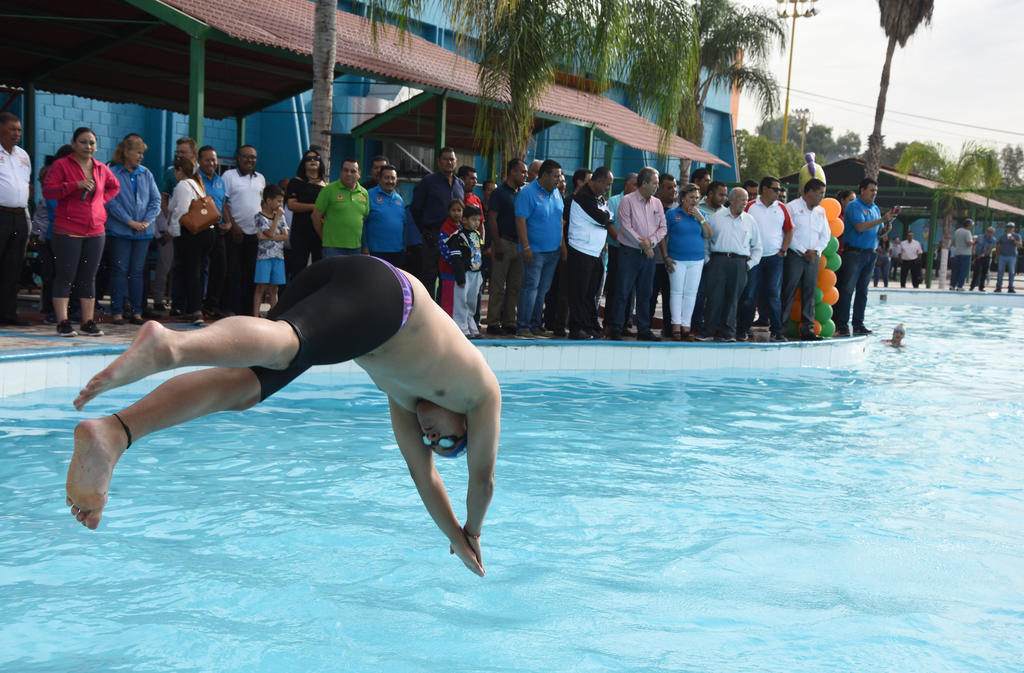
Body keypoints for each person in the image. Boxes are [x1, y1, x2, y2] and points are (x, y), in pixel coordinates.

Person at [65, 254, 500, 577]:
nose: (431, 439)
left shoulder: (404, 402)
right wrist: (474, 531)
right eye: (447, 442)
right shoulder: (481, 393)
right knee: (285, 345)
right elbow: (482, 479)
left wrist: (454, 538)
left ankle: (116, 433)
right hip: (384, 293)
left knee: (243, 387)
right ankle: (171, 346)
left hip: (340, 295)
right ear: (466, 424)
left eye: (433, 445)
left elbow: (425, 479)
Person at [42, 127, 120, 337]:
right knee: (65, 276)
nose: (88, 146)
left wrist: (100, 201)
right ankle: (63, 322)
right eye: (83, 142)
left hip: (95, 230)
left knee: (88, 277)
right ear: (74, 143)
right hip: (67, 229)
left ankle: (88, 322)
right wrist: (74, 185)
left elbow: (114, 186)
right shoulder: (61, 165)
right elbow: (48, 190)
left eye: (92, 143)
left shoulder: (101, 168)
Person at [105, 134, 161, 325]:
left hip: (142, 233)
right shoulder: (112, 173)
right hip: (120, 231)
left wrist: (146, 222)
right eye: (137, 152)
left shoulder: (146, 173)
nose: (141, 156)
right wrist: (129, 222)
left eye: (142, 153)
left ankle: (137, 312)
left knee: (136, 272)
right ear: (126, 152)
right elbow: (110, 201)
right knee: (119, 270)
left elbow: (156, 200)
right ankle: (117, 311)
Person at [606, 166, 666, 341]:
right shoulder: (627, 201)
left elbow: (663, 228)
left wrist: (650, 242)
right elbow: (625, 226)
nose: (657, 186)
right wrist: (643, 243)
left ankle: (644, 330)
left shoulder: (657, 203)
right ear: (644, 183)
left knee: (645, 293)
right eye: (655, 182)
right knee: (622, 292)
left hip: (648, 255)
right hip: (629, 253)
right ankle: (616, 328)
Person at [696, 187, 762, 342]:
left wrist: (749, 264)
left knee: (733, 300)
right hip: (717, 261)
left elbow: (758, 247)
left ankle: (728, 333)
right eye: (742, 199)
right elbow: (707, 240)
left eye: (746, 200)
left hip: (740, 263)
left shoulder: (750, 221)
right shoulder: (717, 217)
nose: (745, 203)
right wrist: (708, 260)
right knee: (714, 298)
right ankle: (708, 331)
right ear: (731, 200)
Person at [833, 178, 896, 336]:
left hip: (870, 253)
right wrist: (882, 219)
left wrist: (887, 226)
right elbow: (860, 227)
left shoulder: (875, 208)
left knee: (863, 291)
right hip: (854, 253)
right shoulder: (854, 206)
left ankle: (858, 324)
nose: (874, 193)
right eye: (871, 190)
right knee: (847, 290)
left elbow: (879, 232)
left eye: (876, 191)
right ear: (862, 190)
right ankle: (842, 325)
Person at [738, 175, 793, 342]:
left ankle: (777, 331)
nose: (779, 192)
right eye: (775, 189)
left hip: (774, 258)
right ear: (765, 189)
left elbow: (789, 230)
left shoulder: (782, 208)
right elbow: (740, 227)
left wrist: (783, 251)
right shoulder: (750, 206)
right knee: (750, 294)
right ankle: (743, 329)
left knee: (774, 294)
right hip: (753, 258)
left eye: (780, 189)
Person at [514, 159, 564, 337]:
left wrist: (561, 245)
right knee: (530, 288)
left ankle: (535, 325)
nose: (559, 180)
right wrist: (526, 247)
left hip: (553, 251)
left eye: (560, 176)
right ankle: (523, 326)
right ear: (544, 176)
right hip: (534, 251)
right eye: (556, 176)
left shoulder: (556, 192)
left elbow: (560, 220)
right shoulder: (527, 193)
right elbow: (520, 221)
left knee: (542, 290)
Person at [565, 166, 614, 340]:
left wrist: (607, 216)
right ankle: (576, 328)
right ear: (598, 181)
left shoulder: (598, 198)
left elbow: (610, 215)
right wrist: (606, 216)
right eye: (607, 184)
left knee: (590, 294)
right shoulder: (583, 197)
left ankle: (589, 326)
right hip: (581, 251)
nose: (609, 188)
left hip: (595, 253)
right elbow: (603, 218)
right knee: (579, 293)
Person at [167, 156, 215, 326]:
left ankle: (195, 310)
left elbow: (181, 210)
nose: (174, 174)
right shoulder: (197, 184)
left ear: (179, 170)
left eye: (175, 170)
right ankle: (193, 307)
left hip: (192, 233)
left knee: (191, 272)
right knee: (197, 272)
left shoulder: (183, 185)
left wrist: (173, 231)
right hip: (207, 232)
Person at [410, 147, 464, 298]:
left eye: (452, 159)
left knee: (447, 279)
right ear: (439, 162)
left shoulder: (460, 184)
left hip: (453, 238)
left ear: (456, 162)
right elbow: (415, 209)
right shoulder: (428, 182)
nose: (449, 162)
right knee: (429, 277)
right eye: (446, 159)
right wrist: (425, 231)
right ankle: (427, 311)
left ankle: (442, 310)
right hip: (432, 237)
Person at [781, 179, 831, 341]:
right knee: (788, 291)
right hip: (795, 256)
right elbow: (787, 232)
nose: (822, 197)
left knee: (809, 293)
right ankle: (780, 329)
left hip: (813, 257)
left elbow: (826, 235)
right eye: (820, 193)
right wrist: (803, 251)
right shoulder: (792, 207)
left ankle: (808, 330)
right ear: (810, 192)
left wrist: (816, 251)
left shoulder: (821, 211)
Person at [222, 145, 266, 316]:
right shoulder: (229, 176)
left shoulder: (260, 178)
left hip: (254, 234)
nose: (250, 160)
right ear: (238, 158)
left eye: (253, 157)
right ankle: (229, 309)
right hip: (235, 233)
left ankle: (247, 312)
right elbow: (224, 203)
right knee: (232, 272)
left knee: (251, 274)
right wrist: (233, 226)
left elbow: (261, 205)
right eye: (246, 156)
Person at [663, 183, 711, 341]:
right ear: (683, 198)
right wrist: (665, 256)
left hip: (696, 260)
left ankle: (686, 326)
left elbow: (709, 234)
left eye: (697, 197)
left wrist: (700, 218)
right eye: (691, 197)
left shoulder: (701, 214)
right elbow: (663, 236)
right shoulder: (672, 213)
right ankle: (676, 325)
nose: (694, 200)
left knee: (691, 293)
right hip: (676, 259)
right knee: (677, 292)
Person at [485, 159, 527, 335]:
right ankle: (493, 322)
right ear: (512, 172)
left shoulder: (522, 194)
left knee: (514, 286)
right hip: (503, 242)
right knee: (497, 285)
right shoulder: (499, 193)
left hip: (519, 244)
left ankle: (509, 321)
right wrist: (497, 243)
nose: (525, 175)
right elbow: (492, 218)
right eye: (522, 172)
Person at [0, 112, 32, 326]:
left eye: (19, 130)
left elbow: (25, 186)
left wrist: (27, 222)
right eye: (12, 129)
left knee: (13, 268)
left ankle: (8, 313)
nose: (17, 134)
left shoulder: (23, 155)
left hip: (19, 215)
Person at [191, 146, 230, 318]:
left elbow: (223, 204)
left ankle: (211, 306)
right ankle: (195, 306)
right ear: (199, 161)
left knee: (220, 268)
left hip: (218, 231)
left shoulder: (220, 181)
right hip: (200, 230)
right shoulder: (194, 180)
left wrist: (228, 223)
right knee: (199, 270)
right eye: (207, 160)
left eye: (213, 160)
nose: (211, 163)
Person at [690, 180, 729, 334]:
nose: (724, 198)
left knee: (717, 296)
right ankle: (696, 326)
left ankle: (714, 326)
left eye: (725, 195)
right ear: (710, 193)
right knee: (699, 293)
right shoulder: (697, 208)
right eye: (721, 194)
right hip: (700, 259)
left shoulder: (726, 212)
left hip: (719, 261)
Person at [312, 157, 369, 258]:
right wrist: (325, 238)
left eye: (353, 171)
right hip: (332, 248)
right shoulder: (328, 190)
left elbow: (363, 219)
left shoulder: (364, 193)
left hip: (355, 248)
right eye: (345, 170)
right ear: (341, 172)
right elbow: (315, 217)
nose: (348, 174)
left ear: (359, 174)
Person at [284, 149, 327, 280]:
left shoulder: (326, 186)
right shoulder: (296, 182)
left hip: (320, 231)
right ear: (303, 163)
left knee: (319, 269)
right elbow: (291, 205)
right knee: (298, 269)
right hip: (300, 231)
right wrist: (315, 207)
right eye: (309, 159)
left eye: (316, 158)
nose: (313, 161)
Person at [604, 172, 637, 335]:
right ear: (627, 185)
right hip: (617, 249)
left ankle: (625, 324)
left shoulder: (640, 202)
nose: (638, 188)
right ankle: (609, 323)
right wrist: (623, 241)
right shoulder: (614, 201)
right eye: (635, 185)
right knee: (615, 287)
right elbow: (609, 225)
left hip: (633, 251)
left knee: (630, 289)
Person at [446, 204, 484, 337]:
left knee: (472, 302)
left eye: (478, 220)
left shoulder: (477, 235)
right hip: (464, 274)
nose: (476, 223)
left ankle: (471, 325)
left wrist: (483, 272)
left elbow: (480, 254)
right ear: (464, 220)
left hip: (476, 273)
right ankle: (461, 328)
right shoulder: (457, 237)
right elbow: (456, 259)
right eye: (473, 219)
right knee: (461, 301)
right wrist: (460, 277)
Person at [253, 184, 289, 316]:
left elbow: (285, 236)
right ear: (269, 201)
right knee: (261, 287)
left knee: (274, 289)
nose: (280, 204)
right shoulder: (259, 217)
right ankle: (255, 316)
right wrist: (276, 219)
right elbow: (269, 232)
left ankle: (274, 316)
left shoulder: (281, 217)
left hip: (278, 256)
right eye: (278, 201)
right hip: (264, 257)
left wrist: (269, 237)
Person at [361, 164, 407, 268]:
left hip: (397, 252)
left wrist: (404, 245)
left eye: (393, 178)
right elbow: (363, 223)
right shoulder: (369, 195)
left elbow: (404, 224)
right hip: (376, 251)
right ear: (380, 179)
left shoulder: (399, 199)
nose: (390, 181)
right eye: (386, 177)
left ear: (396, 180)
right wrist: (364, 246)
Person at [649, 172, 677, 338]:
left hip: (672, 263)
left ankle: (669, 329)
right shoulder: (651, 206)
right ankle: (645, 328)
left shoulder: (679, 209)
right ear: (659, 188)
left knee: (670, 298)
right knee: (650, 296)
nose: (674, 191)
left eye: (675, 187)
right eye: (669, 187)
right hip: (653, 260)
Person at [437, 199, 465, 316]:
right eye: (453, 210)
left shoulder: (464, 227)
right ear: (449, 211)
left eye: (459, 210)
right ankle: (446, 321)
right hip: (448, 270)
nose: (456, 213)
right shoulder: (445, 228)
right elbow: (445, 251)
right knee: (447, 299)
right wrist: (457, 265)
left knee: (459, 300)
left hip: (461, 271)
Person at [994, 222, 1021, 293]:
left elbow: (1020, 245)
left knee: (1011, 272)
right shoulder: (1002, 236)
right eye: (1008, 227)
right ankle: (998, 287)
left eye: (1011, 227)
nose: (1009, 228)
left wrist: (1013, 240)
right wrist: (996, 256)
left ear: (1014, 228)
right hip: (1002, 256)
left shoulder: (1017, 236)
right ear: (1006, 228)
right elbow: (998, 246)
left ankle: (1010, 288)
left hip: (1012, 257)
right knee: (1000, 272)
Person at [949, 219, 975, 291]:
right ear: (968, 225)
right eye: (971, 225)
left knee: (955, 270)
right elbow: (969, 243)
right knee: (964, 271)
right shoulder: (967, 232)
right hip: (965, 254)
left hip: (957, 252)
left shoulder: (957, 231)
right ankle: (960, 286)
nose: (971, 227)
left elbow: (953, 242)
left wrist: (959, 246)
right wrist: (974, 240)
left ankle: (952, 285)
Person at [969, 226, 997, 291]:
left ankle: (981, 287)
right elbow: (974, 243)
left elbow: (990, 249)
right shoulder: (980, 237)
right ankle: (972, 286)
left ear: (993, 233)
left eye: (990, 232)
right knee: (976, 271)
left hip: (986, 257)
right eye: (988, 231)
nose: (989, 233)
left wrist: (983, 254)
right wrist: (973, 250)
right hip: (977, 256)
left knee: (984, 272)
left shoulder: (993, 239)